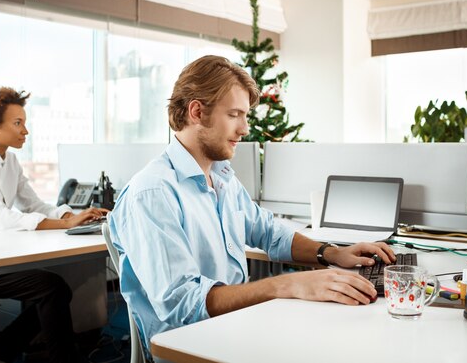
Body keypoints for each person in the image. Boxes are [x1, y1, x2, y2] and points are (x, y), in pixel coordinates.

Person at [110, 55, 397, 356]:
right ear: (197, 111)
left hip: (236, 326)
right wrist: (286, 285)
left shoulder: (221, 178)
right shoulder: (152, 193)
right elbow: (183, 305)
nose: (245, 128)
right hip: (190, 346)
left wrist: (332, 253)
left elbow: (269, 232)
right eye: (234, 115)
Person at [0, 87, 108, 363]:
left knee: (55, 288)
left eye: (24, 122)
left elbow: (34, 204)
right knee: (52, 288)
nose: (26, 131)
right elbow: (1, 217)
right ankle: (14, 350)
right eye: (18, 123)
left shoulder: (9, 160)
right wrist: (60, 224)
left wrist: (70, 217)